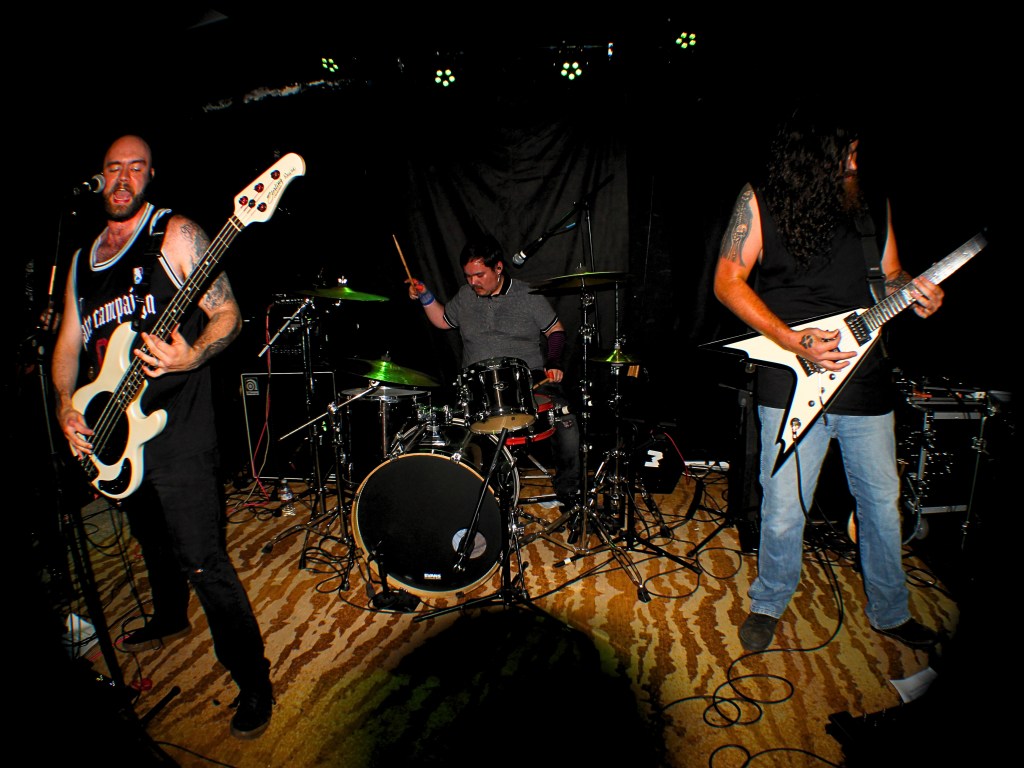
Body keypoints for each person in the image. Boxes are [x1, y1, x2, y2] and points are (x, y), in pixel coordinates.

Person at [50, 135, 273, 738]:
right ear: (99, 176)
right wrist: (67, 404)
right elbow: (67, 344)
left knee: (202, 558)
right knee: (150, 540)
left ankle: (252, 678)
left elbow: (228, 313)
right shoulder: (80, 260)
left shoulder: (174, 234)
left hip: (179, 427)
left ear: (151, 176)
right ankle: (170, 618)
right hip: (114, 428)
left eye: (136, 168)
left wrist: (192, 354)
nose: (123, 179)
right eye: (113, 168)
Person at [713, 107, 943, 653]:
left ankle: (890, 611)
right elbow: (728, 281)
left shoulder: (871, 202)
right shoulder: (761, 199)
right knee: (783, 506)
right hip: (792, 373)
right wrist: (791, 339)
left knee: (881, 504)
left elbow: (889, 274)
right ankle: (770, 601)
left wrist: (912, 291)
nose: (856, 163)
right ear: (814, 154)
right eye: (847, 153)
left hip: (867, 378)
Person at [406, 235, 582, 514]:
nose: (473, 282)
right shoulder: (465, 296)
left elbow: (555, 330)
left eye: (479, 275)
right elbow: (442, 320)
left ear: (498, 268)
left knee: (566, 418)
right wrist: (426, 295)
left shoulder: (527, 295)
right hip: (477, 386)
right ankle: (469, 495)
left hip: (528, 381)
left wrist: (554, 361)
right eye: (468, 276)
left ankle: (569, 494)